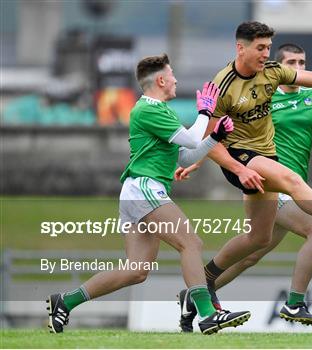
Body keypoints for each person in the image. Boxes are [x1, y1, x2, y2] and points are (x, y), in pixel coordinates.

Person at [177, 21, 312, 330]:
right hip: (242, 160)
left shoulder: (274, 74)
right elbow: (210, 140)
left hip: (264, 161)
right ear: (241, 48)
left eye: (268, 48)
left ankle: (201, 286)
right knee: (301, 195)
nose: (265, 54)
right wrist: (237, 168)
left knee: (257, 240)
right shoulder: (222, 85)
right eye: (260, 48)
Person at [46, 53, 250, 335]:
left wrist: (215, 138)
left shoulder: (161, 111)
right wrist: (205, 112)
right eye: (173, 74)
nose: (177, 79)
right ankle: (206, 314)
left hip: (137, 191)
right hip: (145, 188)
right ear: (162, 79)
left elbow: (186, 156)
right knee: (190, 243)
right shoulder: (148, 110)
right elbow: (191, 138)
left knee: (136, 271)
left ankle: (65, 302)